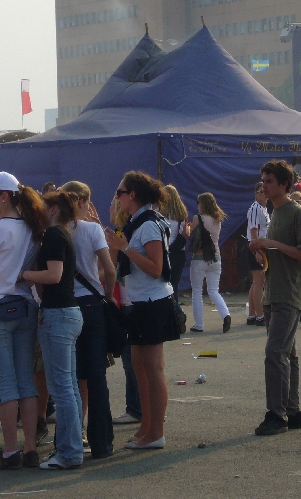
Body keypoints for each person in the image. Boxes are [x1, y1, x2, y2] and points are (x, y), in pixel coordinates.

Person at [0, 172, 49, 470]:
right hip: (25, 305)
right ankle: (30, 448)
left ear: (4, 196)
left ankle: (10, 450)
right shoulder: (32, 228)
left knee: (5, 384)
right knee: (26, 380)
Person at [104, 171, 179, 449]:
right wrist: (117, 241)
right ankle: (147, 427)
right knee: (139, 364)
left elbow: (156, 269)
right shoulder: (137, 221)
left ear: (132, 194)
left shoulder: (148, 224)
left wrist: (125, 248)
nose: (117, 198)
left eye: (120, 193)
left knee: (153, 367)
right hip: (139, 301)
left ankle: (156, 432)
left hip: (153, 301)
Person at [251, 161, 301, 436]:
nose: (264, 186)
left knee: (275, 352)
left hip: (289, 293)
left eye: (269, 181)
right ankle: (292, 410)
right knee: (287, 354)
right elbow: (280, 252)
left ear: (284, 184)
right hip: (273, 291)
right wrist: (263, 252)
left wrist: (272, 244)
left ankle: (276, 415)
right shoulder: (274, 213)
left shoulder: (297, 213)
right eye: (263, 181)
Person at [21, 190, 85, 469]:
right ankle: (70, 448)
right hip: (67, 313)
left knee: (62, 389)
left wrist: (24, 274)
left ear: (54, 209)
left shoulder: (54, 235)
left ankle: (69, 453)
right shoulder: (63, 234)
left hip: (58, 314)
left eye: (43, 206)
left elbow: (54, 275)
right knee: (68, 387)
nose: (39, 210)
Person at [60, 181, 116, 459]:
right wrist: (107, 295)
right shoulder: (92, 230)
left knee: (69, 377)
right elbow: (110, 270)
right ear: (83, 202)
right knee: (96, 376)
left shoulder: (56, 230)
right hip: (92, 304)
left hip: (66, 302)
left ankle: (69, 438)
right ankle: (102, 442)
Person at [109, 197, 142, 426]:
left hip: (132, 303)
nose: (110, 209)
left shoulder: (124, 234)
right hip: (130, 301)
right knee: (134, 361)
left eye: (113, 205)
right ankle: (140, 407)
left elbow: (111, 268)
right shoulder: (122, 233)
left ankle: (137, 409)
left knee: (133, 361)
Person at [188, 192, 231, 333]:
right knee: (213, 291)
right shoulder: (217, 219)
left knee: (197, 291)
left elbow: (190, 235)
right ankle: (226, 314)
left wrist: (188, 228)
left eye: (198, 203)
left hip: (199, 258)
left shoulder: (198, 218)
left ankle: (199, 325)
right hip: (215, 258)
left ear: (202, 204)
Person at [159, 184, 189, 328]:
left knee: (164, 286)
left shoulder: (160, 213)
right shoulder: (181, 213)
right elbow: (184, 234)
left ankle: (176, 314)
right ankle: (176, 318)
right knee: (174, 285)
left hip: (165, 252)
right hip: (179, 252)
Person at [246, 182, 270, 326]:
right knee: (259, 283)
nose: (264, 194)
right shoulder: (255, 208)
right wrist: (257, 251)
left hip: (262, 246)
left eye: (265, 191)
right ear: (256, 194)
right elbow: (253, 230)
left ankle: (252, 315)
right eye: (261, 191)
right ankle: (261, 316)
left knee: (257, 282)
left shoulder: (264, 209)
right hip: (257, 247)